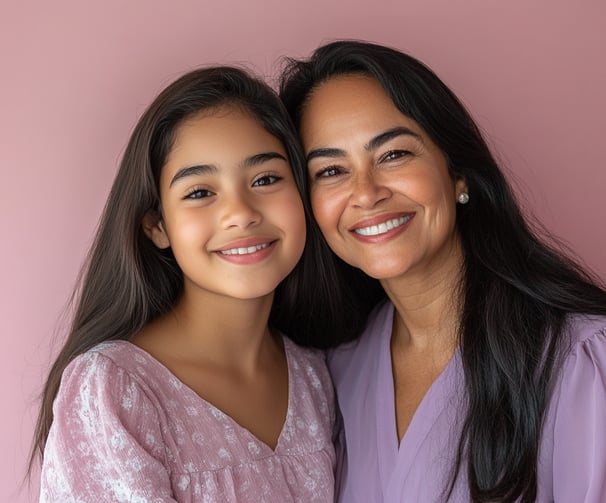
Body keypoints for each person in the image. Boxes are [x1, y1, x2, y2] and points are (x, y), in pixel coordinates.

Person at [279, 40, 606, 502]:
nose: (366, 193)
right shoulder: (336, 371)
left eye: (394, 154)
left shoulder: (579, 363)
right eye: (331, 170)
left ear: (458, 174)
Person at [29, 66, 336, 501]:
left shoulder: (317, 376)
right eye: (199, 192)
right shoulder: (114, 390)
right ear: (157, 225)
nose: (241, 212)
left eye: (265, 180)